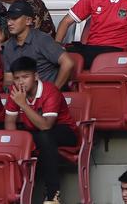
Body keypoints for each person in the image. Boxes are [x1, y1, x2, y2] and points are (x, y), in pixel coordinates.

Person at [4, 56, 78, 204]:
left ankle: (52, 194)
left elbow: (46, 125)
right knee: (16, 140)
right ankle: (13, 190)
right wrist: (17, 145)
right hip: (34, 131)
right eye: (17, 78)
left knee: (45, 137)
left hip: (64, 131)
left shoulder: (50, 90)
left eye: (25, 77)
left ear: (36, 76)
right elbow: (10, 123)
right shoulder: (15, 91)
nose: (21, 82)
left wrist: (23, 104)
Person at [2, 1, 73, 88]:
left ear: (28, 21)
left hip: (46, 96)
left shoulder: (42, 40)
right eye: (8, 19)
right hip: (23, 97)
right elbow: (8, 80)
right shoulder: (8, 45)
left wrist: (54, 91)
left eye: (14, 18)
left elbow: (68, 63)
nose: (9, 23)